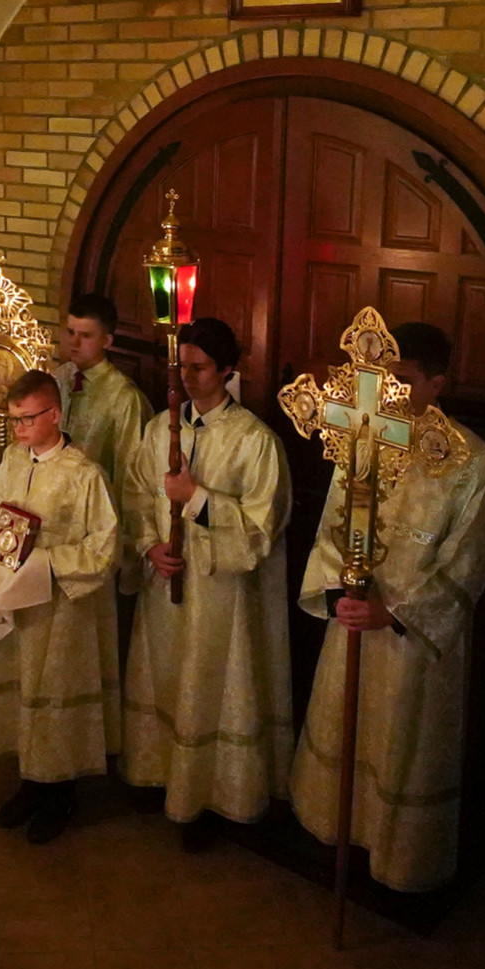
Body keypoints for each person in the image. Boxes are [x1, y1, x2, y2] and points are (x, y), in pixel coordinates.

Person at [288, 322, 485, 893]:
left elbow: (470, 561)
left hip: (412, 638)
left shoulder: (474, 464)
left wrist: (396, 613)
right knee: (344, 726)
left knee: (402, 740)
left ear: (437, 383)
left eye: (405, 380)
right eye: (385, 377)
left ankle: (397, 860)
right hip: (355, 619)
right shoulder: (365, 438)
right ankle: (338, 838)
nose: (390, 391)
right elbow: (334, 522)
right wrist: (342, 592)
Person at [119, 318, 293, 840]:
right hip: (166, 582)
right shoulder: (158, 428)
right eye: (182, 368)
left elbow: (264, 528)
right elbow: (134, 494)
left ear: (227, 371)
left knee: (212, 684)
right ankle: (160, 774)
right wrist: (149, 544)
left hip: (222, 597)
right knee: (167, 675)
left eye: (199, 369)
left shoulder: (255, 441)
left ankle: (214, 795)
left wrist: (195, 500)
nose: (187, 379)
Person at [0, 369, 121, 844]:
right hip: (17, 603)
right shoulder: (14, 459)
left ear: (54, 415)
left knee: (55, 697)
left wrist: (47, 564)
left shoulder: (85, 474)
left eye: (28, 419)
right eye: (14, 420)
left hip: (60, 610)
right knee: (23, 698)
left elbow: (106, 548)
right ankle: (30, 784)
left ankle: (61, 794)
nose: (19, 430)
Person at [53, 292, 151, 517]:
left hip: (96, 513)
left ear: (106, 341)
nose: (74, 343)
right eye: (70, 332)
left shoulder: (124, 398)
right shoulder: (60, 377)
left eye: (85, 335)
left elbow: (130, 477)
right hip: (54, 503)